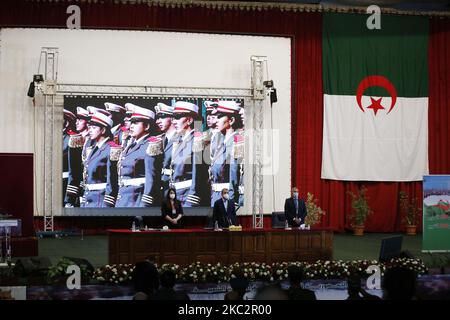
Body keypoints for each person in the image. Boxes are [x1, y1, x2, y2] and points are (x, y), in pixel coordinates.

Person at [116, 105, 156, 207]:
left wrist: (145, 204)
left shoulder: (150, 145)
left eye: (136, 123)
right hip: (123, 198)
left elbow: (151, 178)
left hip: (137, 199)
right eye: (131, 122)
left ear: (147, 126)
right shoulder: (130, 145)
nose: (131, 126)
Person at [81, 111, 121, 207]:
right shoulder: (94, 148)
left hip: (100, 200)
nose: (90, 130)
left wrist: (108, 203)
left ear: (103, 130)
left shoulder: (111, 149)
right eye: (89, 127)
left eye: (94, 128)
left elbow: (112, 179)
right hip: (88, 198)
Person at [170, 101, 205, 207]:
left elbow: (198, 173)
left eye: (178, 117)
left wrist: (191, 200)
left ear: (189, 120)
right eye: (173, 118)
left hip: (187, 198)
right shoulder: (179, 141)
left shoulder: (197, 140)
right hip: (176, 196)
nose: (174, 122)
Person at [209, 100, 242, 207]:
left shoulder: (237, 142)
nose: (216, 120)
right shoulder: (218, 141)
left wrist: (230, 201)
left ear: (231, 120)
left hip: (226, 197)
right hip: (216, 196)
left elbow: (234, 175)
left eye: (220, 117)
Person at [145, 102, 176, 204]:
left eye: (162, 117)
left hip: (173, 189)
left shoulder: (180, 139)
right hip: (160, 190)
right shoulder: (159, 140)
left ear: (172, 118)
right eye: (157, 118)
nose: (158, 121)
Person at [65, 107, 90, 207]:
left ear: (88, 122)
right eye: (76, 119)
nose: (76, 122)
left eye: (80, 119)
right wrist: (71, 196)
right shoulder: (75, 140)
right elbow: (73, 170)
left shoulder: (94, 141)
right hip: (78, 187)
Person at [63, 109, 77, 205]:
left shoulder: (71, 139)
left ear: (66, 123)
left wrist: (70, 195)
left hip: (65, 183)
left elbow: (74, 169)